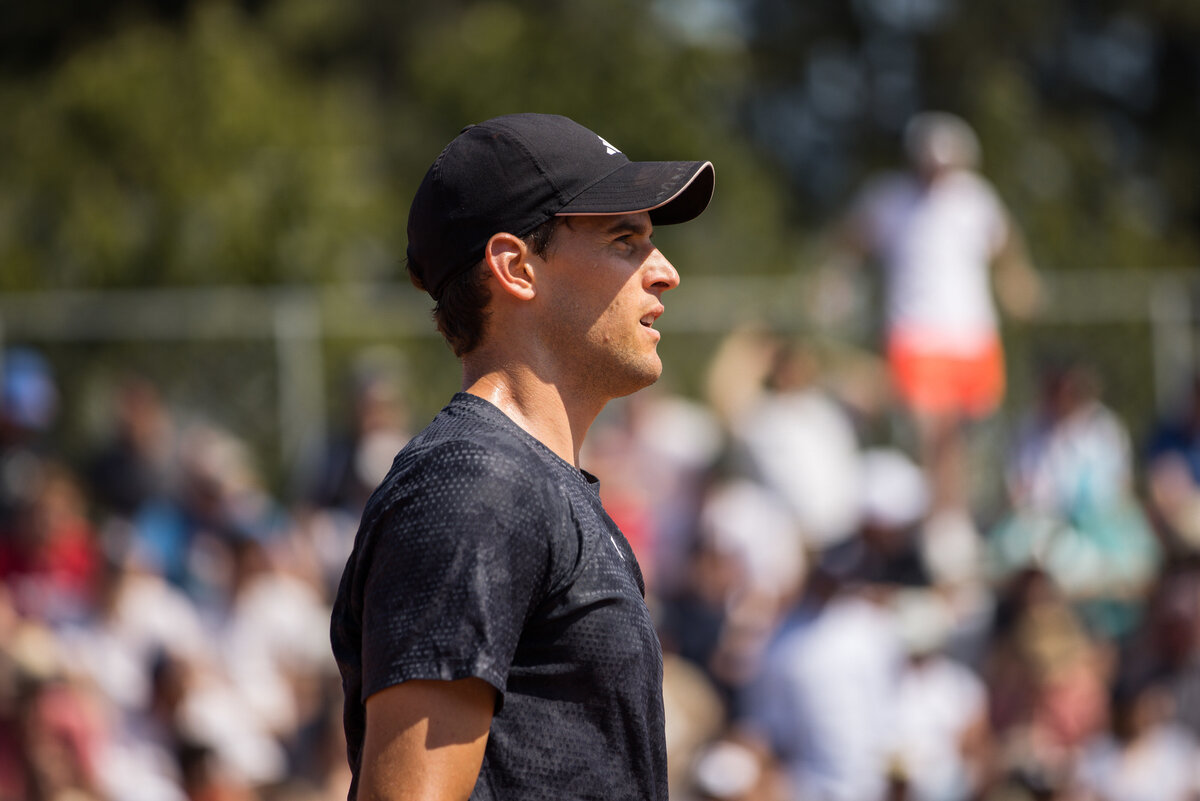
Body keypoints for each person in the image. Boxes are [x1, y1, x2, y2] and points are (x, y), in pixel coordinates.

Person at [329, 113, 715, 800]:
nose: (666, 273)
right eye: (626, 240)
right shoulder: (476, 482)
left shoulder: (526, 482)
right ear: (515, 267)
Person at [828, 111, 1042, 585]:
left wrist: (1018, 282)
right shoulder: (890, 198)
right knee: (930, 425)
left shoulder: (975, 199)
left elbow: (1005, 244)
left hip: (971, 331)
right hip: (915, 330)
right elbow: (853, 240)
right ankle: (939, 524)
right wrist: (839, 281)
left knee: (963, 433)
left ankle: (956, 518)